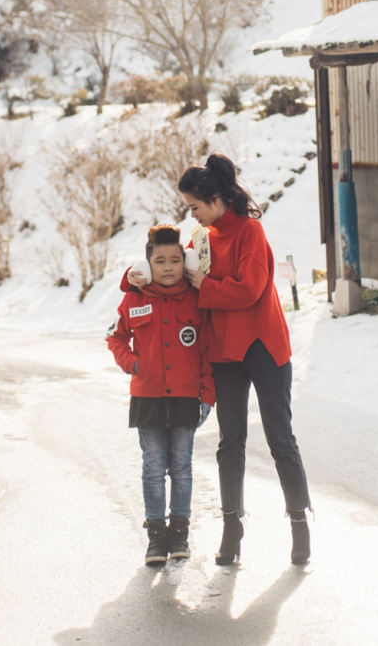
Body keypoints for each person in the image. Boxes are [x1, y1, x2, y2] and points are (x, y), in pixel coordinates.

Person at [127, 153, 312, 567]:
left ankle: (299, 521)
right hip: (224, 352)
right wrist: (134, 275)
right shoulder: (201, 237)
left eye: (194, 205)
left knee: (280, 438)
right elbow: (170, 269)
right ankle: (233, 527)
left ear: (213, 198)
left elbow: (248, 290)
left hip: (264, 347)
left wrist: (206, 285)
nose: (190, 213)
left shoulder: (251, 233)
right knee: (230, 443)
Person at [106, 224, 215, 567]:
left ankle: (179, 533)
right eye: (160, 261)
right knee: (153, 467)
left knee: (181, 467)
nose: (168, 267)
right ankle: (156, 536)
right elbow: (115, 338)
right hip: (148, 397)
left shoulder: (197, 300)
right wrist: (133, 364)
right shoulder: (133, 299)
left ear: (185, 262)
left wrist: (207, 395)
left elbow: (208, 350)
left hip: (185, 397)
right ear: (147, 264)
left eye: (174, 260)